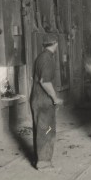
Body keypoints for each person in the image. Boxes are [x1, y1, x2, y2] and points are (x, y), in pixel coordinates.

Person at [30, 36, 64, 170]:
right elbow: (45, 82)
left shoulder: (40, 57)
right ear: (55, 44)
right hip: (44, 100)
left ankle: (39, 158)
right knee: (47, 129)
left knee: (41, 128)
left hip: (38, 98)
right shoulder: (47, 59)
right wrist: (55, 98)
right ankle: (43, 162)